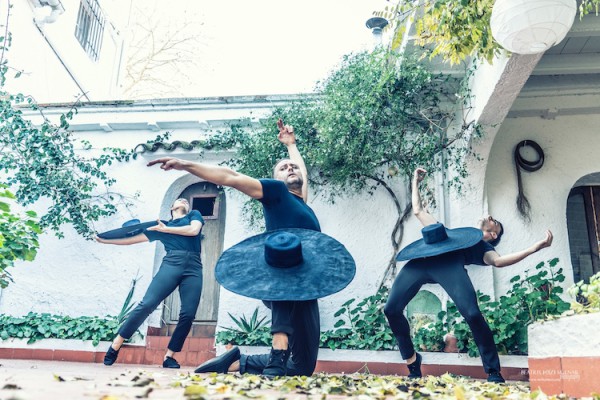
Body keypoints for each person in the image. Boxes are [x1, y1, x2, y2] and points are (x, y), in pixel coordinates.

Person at [147, 119, 335, 377]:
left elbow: (301, 175)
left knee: (303, 366)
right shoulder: (276, 192)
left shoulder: (303, 204)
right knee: (285, 279)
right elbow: (231, 177)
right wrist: (184, 164)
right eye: (283, 168)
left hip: (306, 284)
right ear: (274, 178)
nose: (290, 168)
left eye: (293, 167)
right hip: (279, 280)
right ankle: (276, 357)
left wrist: (291, 146)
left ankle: (238, 361)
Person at [384, 167, 553, 383]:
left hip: (450, 268)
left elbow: (499, 262)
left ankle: (493, 371)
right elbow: (417, 210)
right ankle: (412, 361)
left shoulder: (484, 248)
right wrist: (415, 180)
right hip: (419, 263)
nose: (490, 217)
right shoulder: (447, 235)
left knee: (473, 314)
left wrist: (534, 248)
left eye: (496, 223)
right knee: (391, 309)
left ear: (493, 235)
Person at [95, 198, 205, 369]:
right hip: (171, 264)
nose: (183, 200)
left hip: (194, 268)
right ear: (172, 208)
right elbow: (131, 239)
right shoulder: (160, 226)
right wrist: (105, 241)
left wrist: (166, 229)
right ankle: (116, 343)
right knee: (147, 304)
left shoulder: (193, 216)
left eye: (185, 200)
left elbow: (193, 230)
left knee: (188, 314)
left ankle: (169, 357)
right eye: (179, 199)